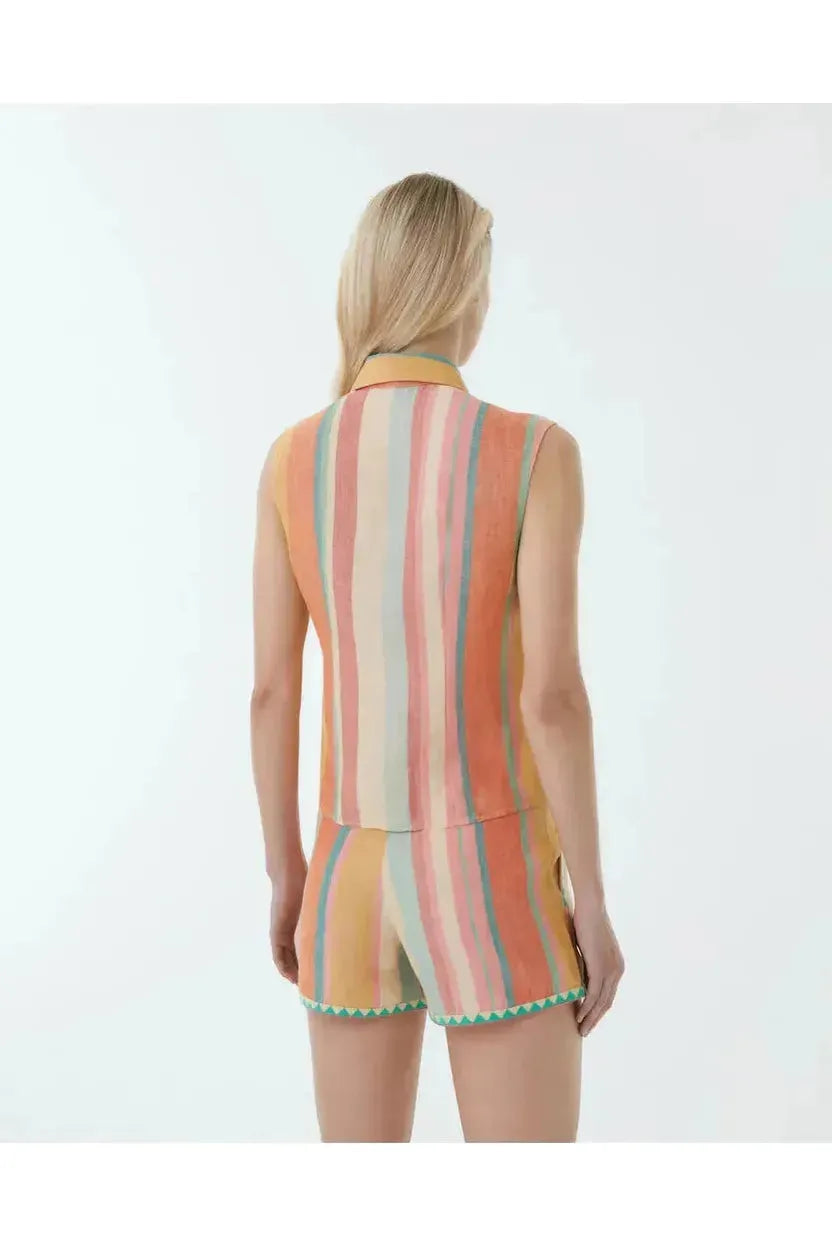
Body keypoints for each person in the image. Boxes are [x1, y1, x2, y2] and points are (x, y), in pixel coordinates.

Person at [250, 172, 624, 1143]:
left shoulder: (293, 459)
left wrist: (288, 872)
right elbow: (551, 699)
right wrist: (590, 899)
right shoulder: (532, 451)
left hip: (345, 870)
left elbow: (272, 692)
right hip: (490, 870)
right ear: (467, 289)